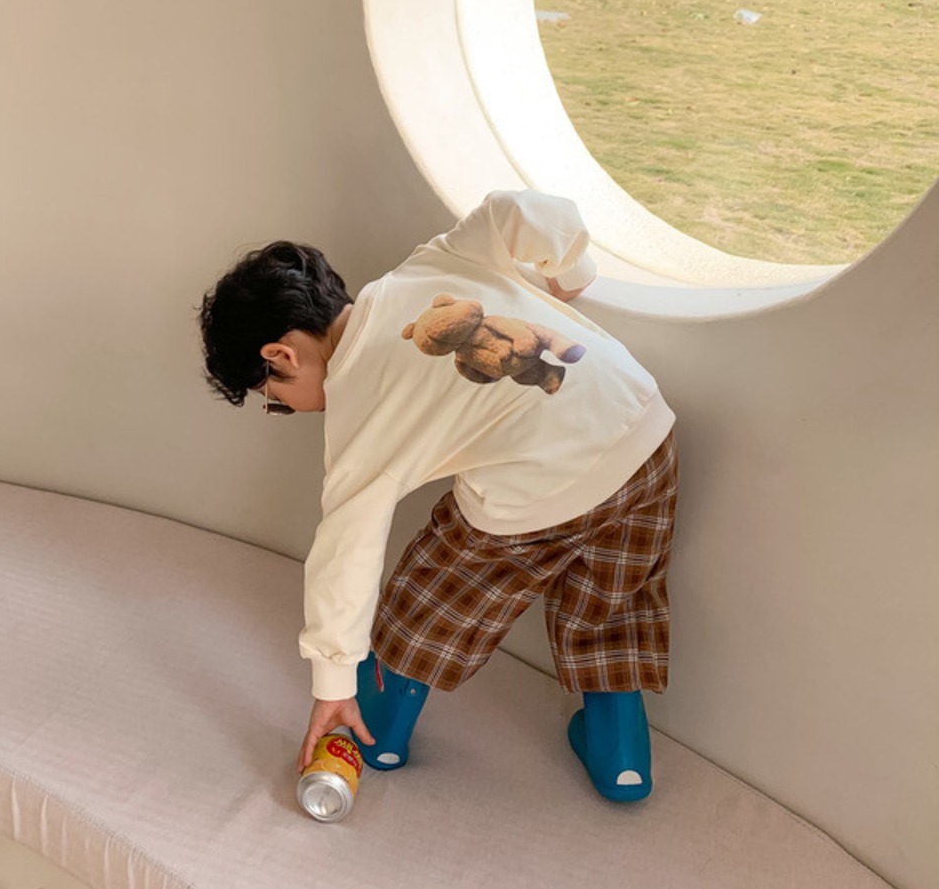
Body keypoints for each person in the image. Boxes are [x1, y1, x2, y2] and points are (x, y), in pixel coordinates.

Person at [197, 190, 678, 802]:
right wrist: (571, 269)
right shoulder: (433, 262)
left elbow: (345, 556)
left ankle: (382, 731)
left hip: (538, 495)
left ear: (280, 356)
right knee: (611, 603)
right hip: (646, 437)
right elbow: (517, 209)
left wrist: (332, 685)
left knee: (431, 594)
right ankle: (623, 760)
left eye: (274, 399)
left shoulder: (358, 418)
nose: (285, 407)